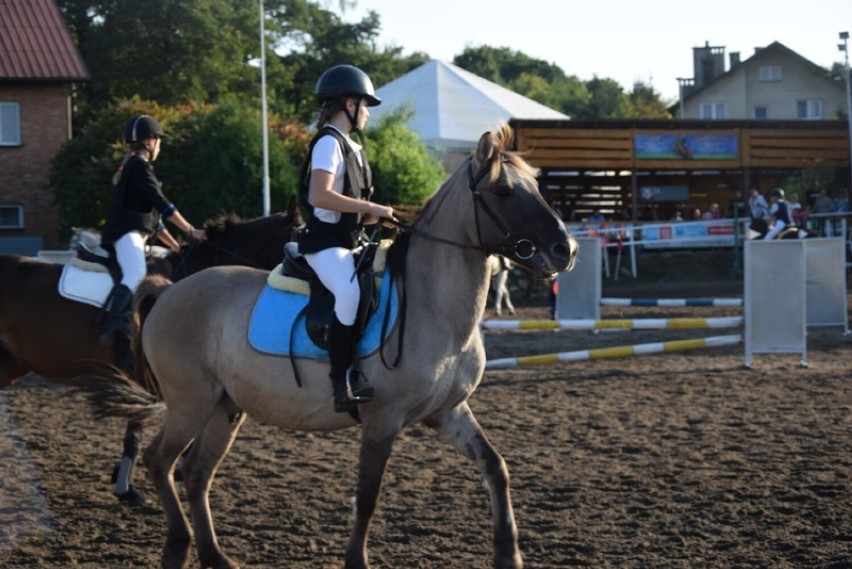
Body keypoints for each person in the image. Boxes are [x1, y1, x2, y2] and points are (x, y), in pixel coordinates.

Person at [297, 64, 397, 413]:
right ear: (349, 104)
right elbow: (320, 197)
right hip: (324, 245)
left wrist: (376, 216)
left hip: (349, 242)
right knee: (349, 291)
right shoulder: (328, 142)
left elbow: (352, 207)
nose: (368, 113)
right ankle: (341, 381)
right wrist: (371, 206)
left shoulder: (352, 147)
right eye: (365, 105)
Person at [98, 115, 206, 344]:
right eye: (159, 141)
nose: (160, 146)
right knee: (136, 273)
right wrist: (190, 230)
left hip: (138, 235)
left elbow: (155, 222)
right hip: (127, 235)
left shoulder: (136, 167)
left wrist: (176, 246)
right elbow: (161, 202)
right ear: (150, 141)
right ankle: (113, 323)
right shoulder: (139, 166)